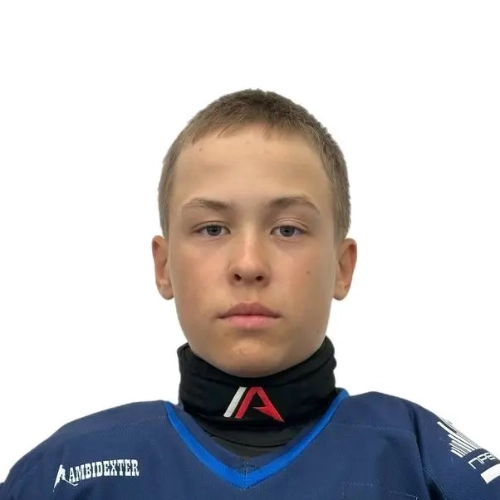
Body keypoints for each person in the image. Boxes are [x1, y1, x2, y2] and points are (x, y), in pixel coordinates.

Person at [1, 89, 498, 500]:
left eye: (287, 230)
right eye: (212, 229)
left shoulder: (423, 463)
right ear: (164, 266)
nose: (249, 265)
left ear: (342, 268)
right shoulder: (63, 475)